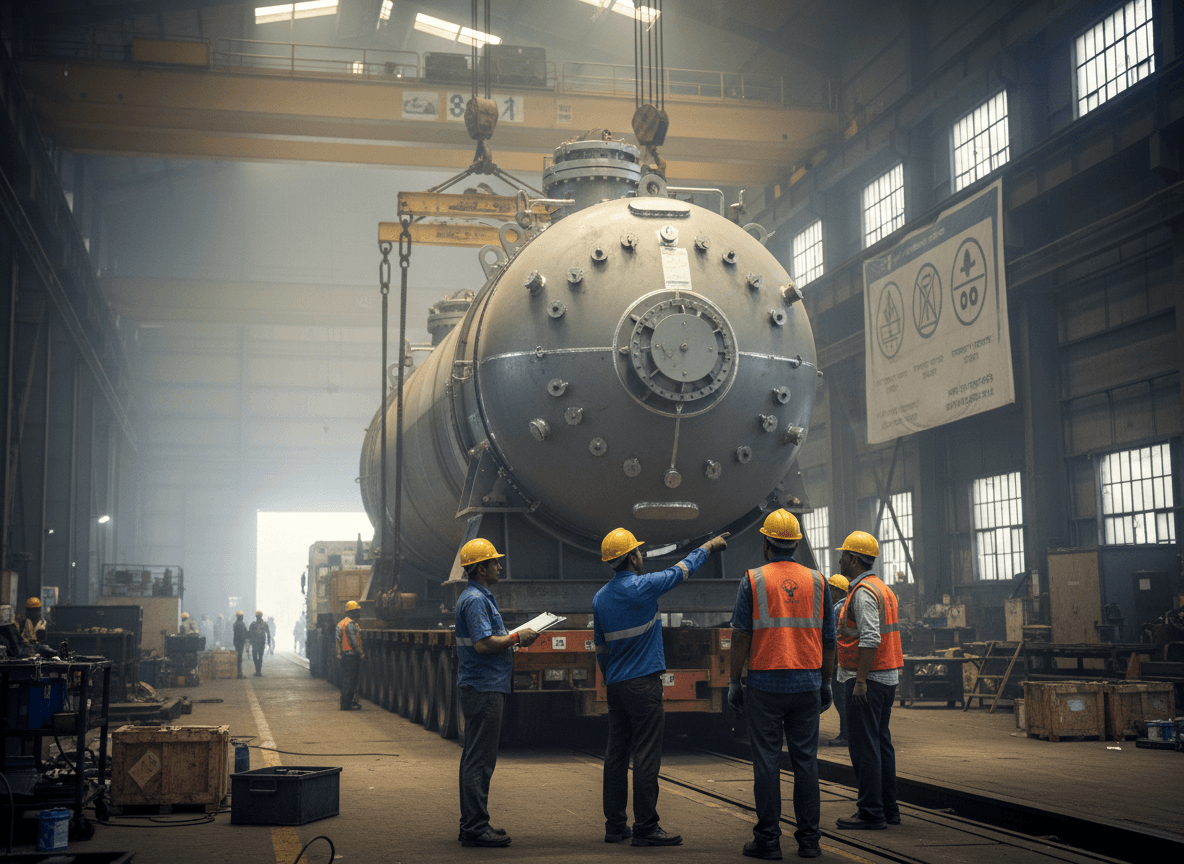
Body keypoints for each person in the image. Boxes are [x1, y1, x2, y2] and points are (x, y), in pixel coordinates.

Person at [593, 527, 730, 847]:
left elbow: (600, 648)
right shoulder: (643, 586)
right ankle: (645, 826)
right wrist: (708, 547)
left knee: (615, 755)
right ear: (631, 557)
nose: (642, 555)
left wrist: (611, 676)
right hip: (643, 685)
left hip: (616, 684)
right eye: (638, 551)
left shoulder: (600, 597)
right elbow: (681, 570)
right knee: (645, 755)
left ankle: (615, 826)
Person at [727, 510, 835, 860]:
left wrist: (733, 681)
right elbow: (830, 640)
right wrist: (826, 682)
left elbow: (741, 636)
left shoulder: (754, 580)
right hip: (807, 683)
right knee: (806, 763)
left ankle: (769, 841)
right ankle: (809, 842)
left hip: (765, 684)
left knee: (767, 763)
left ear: (766, 543)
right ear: (796, 544)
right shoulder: (818, 581)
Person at [454, 538, 538, 848]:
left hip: (483, 685)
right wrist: (518, 637)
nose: (499, 566)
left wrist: (513, 637)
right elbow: (483, 644)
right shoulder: (476, 600)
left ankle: (473, 824)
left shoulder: (478, 596)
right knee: (480, 760)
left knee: (474, 758)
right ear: (480, 568)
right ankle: (476, 828)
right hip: (484, 687)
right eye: (494, 562)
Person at [833, 531, 902, 831]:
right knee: (881, 743)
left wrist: (860, 681)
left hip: (868, 681)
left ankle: (871, 812)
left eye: (844, 555)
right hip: (887, 677)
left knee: (864, 747)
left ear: (854, 559)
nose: (840, 559)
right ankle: (889, 809)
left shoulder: (862, 592)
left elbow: (871, 638)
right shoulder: (882, 588)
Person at [827, 574, 850, 747]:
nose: (828, 592)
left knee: (841, 699)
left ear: (838, 591)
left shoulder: (836, 609)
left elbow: (833, 638)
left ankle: (846, 734)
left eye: (830, 589)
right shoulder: (850, 605)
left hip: (838, 662)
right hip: (849, 660)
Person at [337, 600, 364, 710]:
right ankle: (347, 704)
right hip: (352, 655)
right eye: (357, 611)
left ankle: (345, 702)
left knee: (346, 679)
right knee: (351, 680)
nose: (358, 613)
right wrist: (361, 653)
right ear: (352, 612)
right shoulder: (351, 624)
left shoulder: (340, 624)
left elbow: (338, 640)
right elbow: (354, 640)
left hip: (344, 655)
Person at [248, 611, 271, 676]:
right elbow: (268, 634)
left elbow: (250, 633)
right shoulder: (265, 624)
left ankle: (257, 671)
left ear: (256, 616)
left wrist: (250, 641)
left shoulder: (253, 624)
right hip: (261, 643)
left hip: (255, 643)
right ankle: (259, 671)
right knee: (260, 657)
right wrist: (269, 642)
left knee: (255, 657)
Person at [232, 611, 248, 678]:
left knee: (239, 657)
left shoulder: (235, 623)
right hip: (240, 642)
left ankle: (239, 673)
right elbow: (242, 633)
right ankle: (239, 673)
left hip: (236, 642)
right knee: (239, 658)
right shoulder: (241, 624)